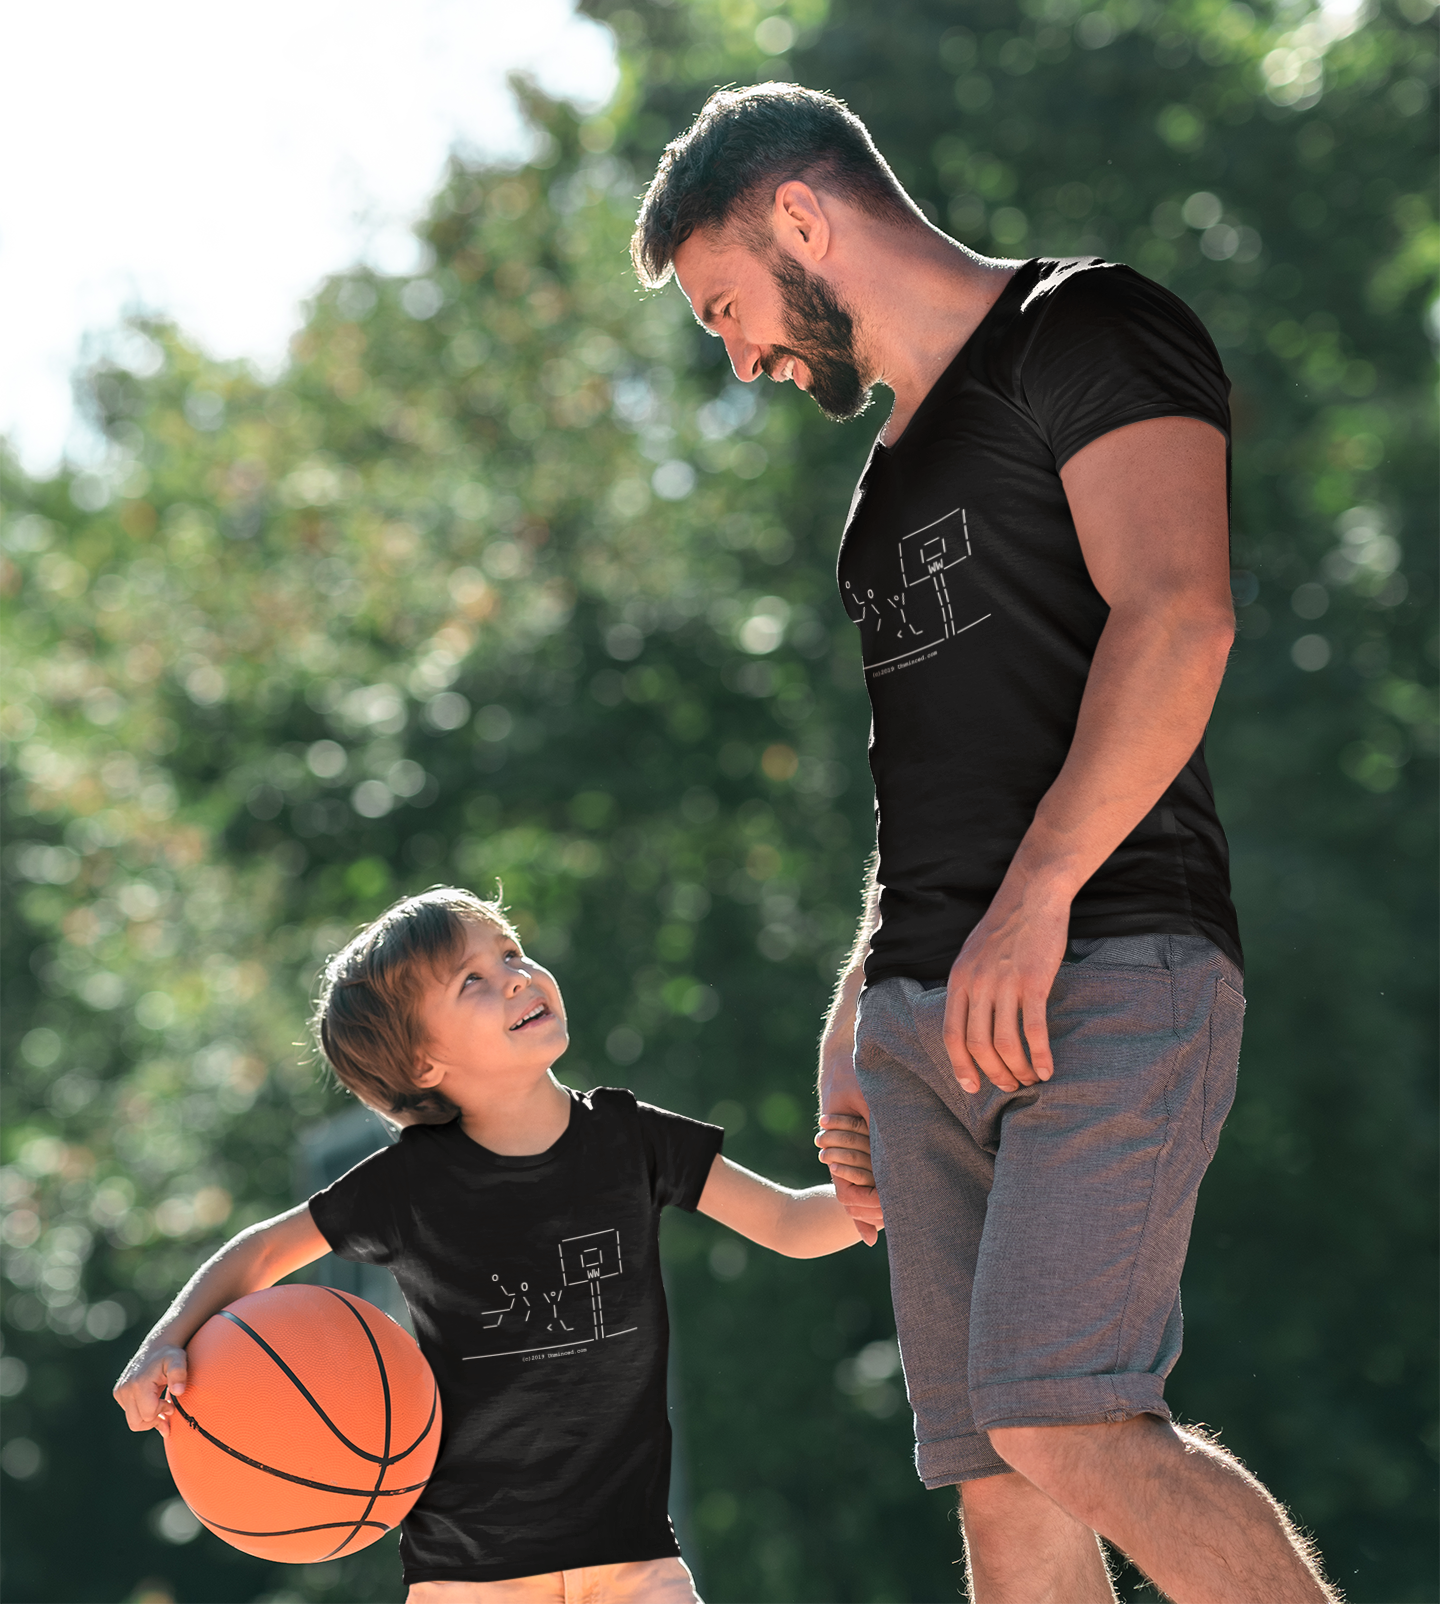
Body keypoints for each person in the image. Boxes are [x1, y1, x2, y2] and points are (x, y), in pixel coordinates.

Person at [632, 84, 1339, 1604]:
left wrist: (1035, 903)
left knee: (1065, 1411)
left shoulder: (1085, 328)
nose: (742, 353)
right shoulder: (882, 487)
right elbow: (934, 780)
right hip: (925, 1021)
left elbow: (1180, 612)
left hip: (1108, 961)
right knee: (1002, 1490)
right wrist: (857, 1009)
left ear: (803, 218)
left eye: (725, 307)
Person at [113, 885, 880, 1603]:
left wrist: (896, 1189)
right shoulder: (410, 1186)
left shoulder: (631, 1139)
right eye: (470, 980)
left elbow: (787, 1222)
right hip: (469, 1573)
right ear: (423, 1063)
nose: (514, 977)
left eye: (510, 953)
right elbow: (258, 1254)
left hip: (636, 1560)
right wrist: (164, 1342)